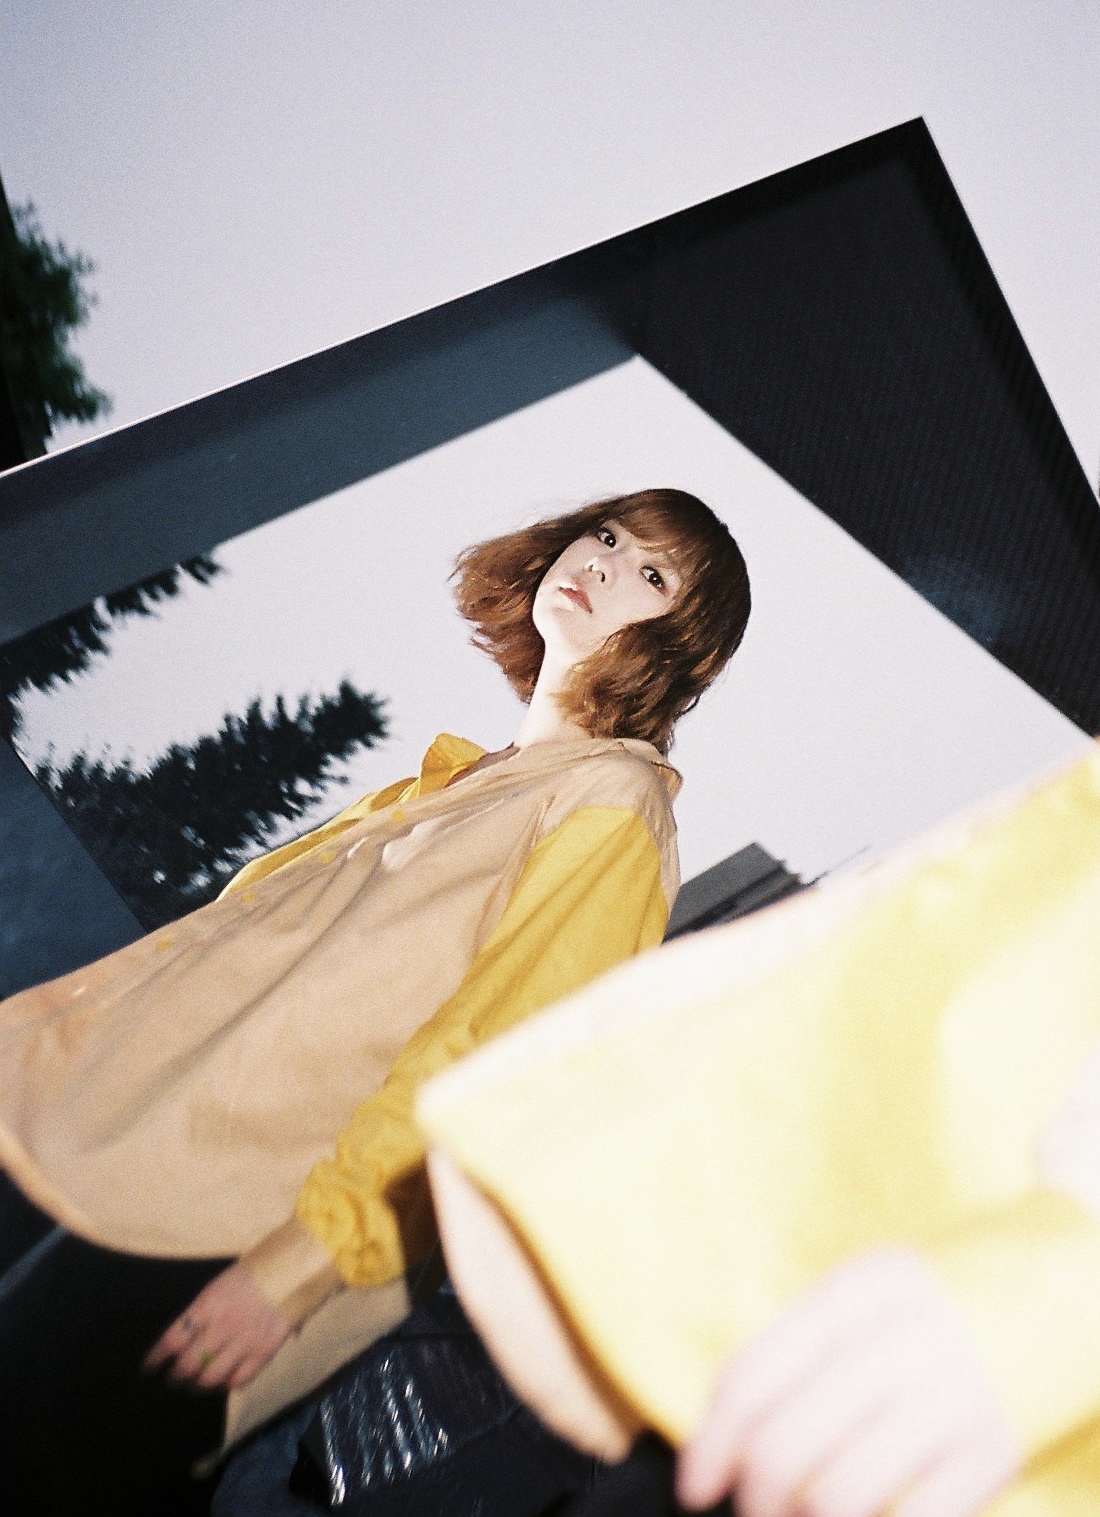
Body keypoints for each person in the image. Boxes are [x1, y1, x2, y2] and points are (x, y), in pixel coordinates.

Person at [0, 487, 751, 1516]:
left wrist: (299, 1269)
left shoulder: (614, 806)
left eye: (650, 574)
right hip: (117, 1150)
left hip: (234, 1230)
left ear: (681, 647)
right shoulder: (451, 784)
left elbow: (497, 1068)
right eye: (607, 535)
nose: (604, 564)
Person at [416, 661, 1100, 1517]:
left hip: (998, 1343)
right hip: (906, 1287)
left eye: (657, 588)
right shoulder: (470, 777)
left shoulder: (617, 801)